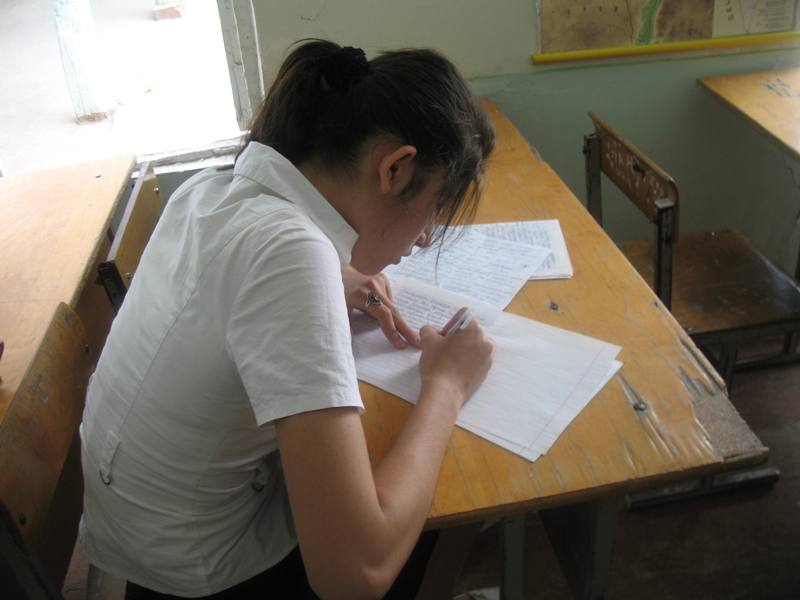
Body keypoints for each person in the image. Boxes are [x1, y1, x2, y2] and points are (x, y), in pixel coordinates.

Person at [79, 39, 496, 599]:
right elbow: (355, 575)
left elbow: (228, 293)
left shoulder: (213, 190)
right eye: (435, 210)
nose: (423, 237)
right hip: (199, 579)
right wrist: (446, 386)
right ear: (396, 168)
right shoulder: (291, 256)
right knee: (444, 511)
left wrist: (335, 281)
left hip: (140, 544)